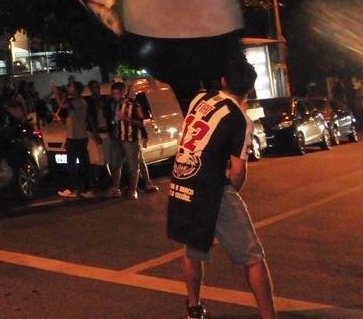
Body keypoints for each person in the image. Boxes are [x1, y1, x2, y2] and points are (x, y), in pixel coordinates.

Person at [167, 58, 275, 319]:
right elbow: (238, 171)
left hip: (182, 182)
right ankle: (268, 316)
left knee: (194, 249)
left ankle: (193, 306)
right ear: (249, 89)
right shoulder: (240, 119)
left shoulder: (200, 98)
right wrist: (231, 192)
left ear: (224, 81)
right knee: (253, 256)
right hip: (212, 188)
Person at [107, 81, 145, 198]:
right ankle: (115, 188)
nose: (114, 96)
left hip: (130, 139)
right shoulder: (114, 105)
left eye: (117, 93)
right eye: (113, 94)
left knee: (133, 166)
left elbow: (141, 123)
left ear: (123, 92)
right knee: (115, 164)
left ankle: (133, 190)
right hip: (117, 139)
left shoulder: (134, 105)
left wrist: (127, 119)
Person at [56, 82, 93, 199]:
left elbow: (62, 106)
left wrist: (56, 93)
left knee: (80, 164)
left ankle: (84, 189)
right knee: (74, 164)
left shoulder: (78, 102)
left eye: (71, 87)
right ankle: (76, 188)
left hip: (79, 138)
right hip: (73, 137)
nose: (69, 88)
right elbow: (71, 120)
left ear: (76, 90)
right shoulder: (74, 102)